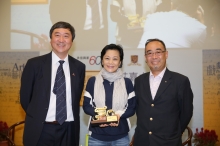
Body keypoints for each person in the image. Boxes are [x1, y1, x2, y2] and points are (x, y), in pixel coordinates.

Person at [20, 21, 85, 146]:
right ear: (50, 40)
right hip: (41, 129)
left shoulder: (79, 67)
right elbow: (25, 98)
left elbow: (76, 97)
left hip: (69, 129)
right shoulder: (34, 64)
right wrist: (38, 114)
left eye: (66, 36)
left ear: (72, 41)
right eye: (57, 35)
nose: (61, 40)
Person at [133, 38, 193, 145]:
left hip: (168, 142)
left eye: (158, 52)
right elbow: (139, 110)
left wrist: (175, 132)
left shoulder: (180, 81)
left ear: (166, 54)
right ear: (145, 58)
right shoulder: (139, 81)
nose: (154, 56)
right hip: (142, 141)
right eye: (149, 53)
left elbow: (186, 112)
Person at [83, 44, 136, 146]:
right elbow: (86, 106)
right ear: (102, 61)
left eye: (115, 59)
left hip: (121, 137)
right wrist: (100, 115)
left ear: (120, 62)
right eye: (107, 58)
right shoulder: (93, 81)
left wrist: (118, 115)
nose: (111, 62)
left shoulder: (127, 82)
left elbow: (132, 108)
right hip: (97, 137)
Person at [137, 0, 207, 49]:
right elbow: (197, 52)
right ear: (196, 9)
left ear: (172, 5)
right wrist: (201, 19)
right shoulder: (199, 28)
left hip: (138, 65)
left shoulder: (151, 17)